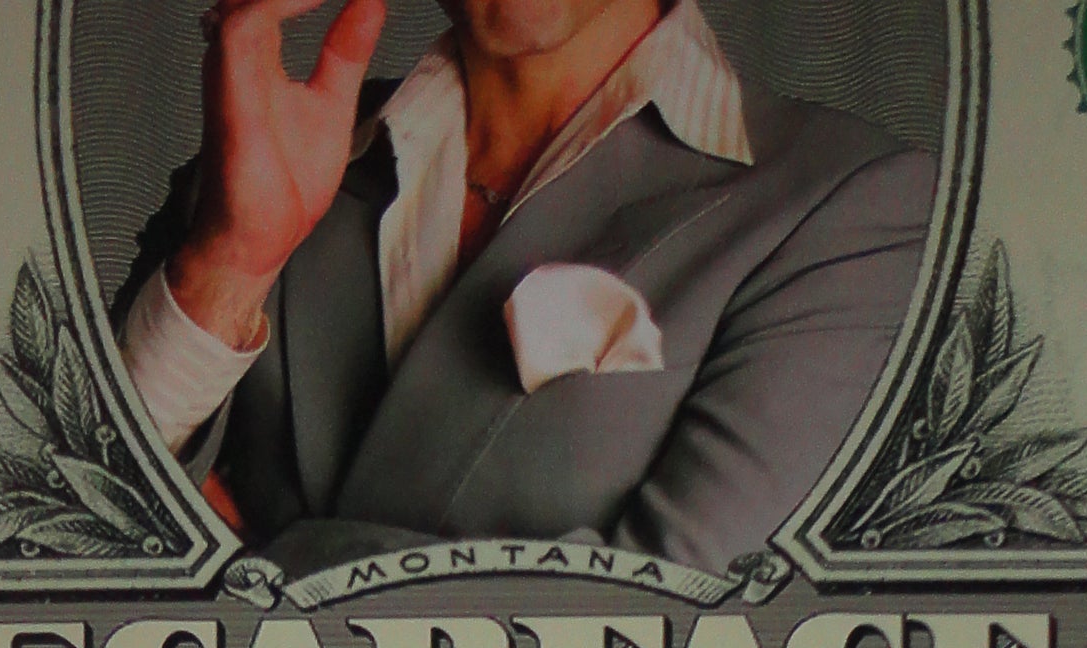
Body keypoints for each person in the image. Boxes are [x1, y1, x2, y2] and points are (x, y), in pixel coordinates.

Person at [114, 0, 935, 581]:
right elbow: (72, 559)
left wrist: (269, 565)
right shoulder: (251, 167)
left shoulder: (848, 207)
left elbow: (681, 643)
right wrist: (231, 266)